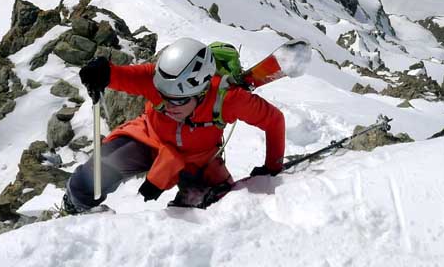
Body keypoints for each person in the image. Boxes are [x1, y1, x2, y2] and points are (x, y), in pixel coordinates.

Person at [63, 37, 285, 212]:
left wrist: (272, 167)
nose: (169, 104)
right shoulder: (159, 80)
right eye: (163, 96)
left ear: (201, 91)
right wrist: (103, 73)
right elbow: (120, 76)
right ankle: (74, 205)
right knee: (92, 175)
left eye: (178, 100)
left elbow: (274, 120)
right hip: (148, 139)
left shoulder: (228, 99)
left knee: (214, 207)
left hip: (198, 159)